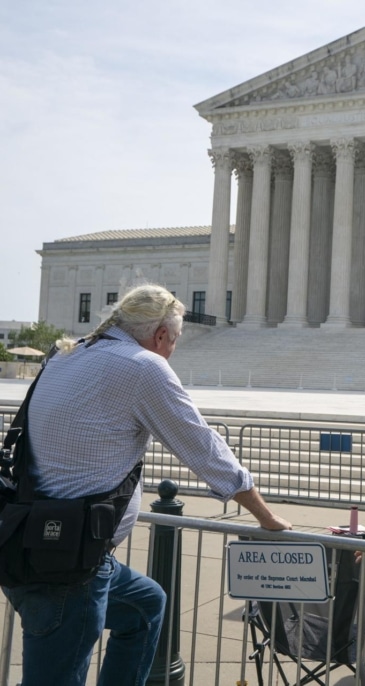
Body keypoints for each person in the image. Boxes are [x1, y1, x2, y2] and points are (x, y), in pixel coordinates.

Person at [2, 284, 291, 686]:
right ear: (159, 336)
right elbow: (205, 449)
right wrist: (266, 515)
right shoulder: (143, 366)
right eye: (175, 341)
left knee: (146, 604)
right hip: (70, 565)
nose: (173, 351)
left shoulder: (68, 353)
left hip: (34, 540)